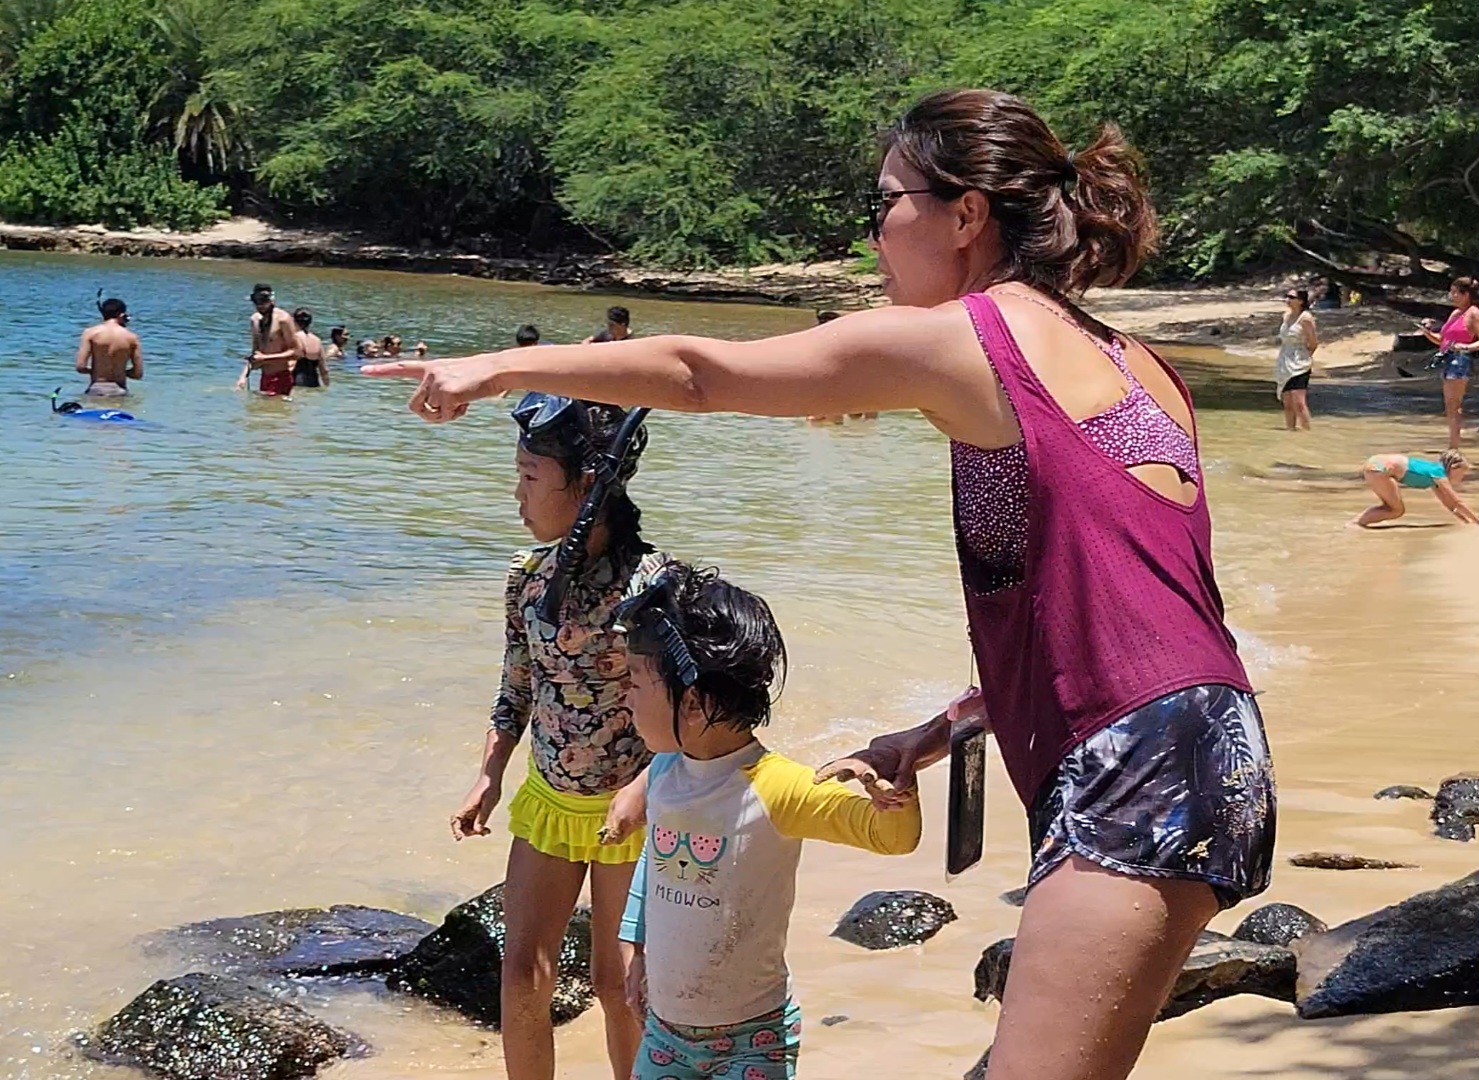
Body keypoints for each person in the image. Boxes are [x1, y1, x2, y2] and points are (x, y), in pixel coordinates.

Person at [367, 87, 1277, 1080]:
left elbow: (699, 376)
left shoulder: (970, 336)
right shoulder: (1139, 363)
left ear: (964, 214)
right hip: (1209, 742)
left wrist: (494, 368)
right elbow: (1144, 595)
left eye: (883, 205)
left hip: (1127, 757)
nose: (873, 239)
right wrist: (952, 723)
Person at [613, 561, 920, 1080]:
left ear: (693, 703)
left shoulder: (776, 788)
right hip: (665, 1032)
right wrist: (634, 946)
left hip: (751, 1038)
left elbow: (892, 838)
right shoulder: (665, 771)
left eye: (636, 684)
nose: (625, 698)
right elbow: (657, 860)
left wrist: (894, 791)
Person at [448, 395, 666, 1080]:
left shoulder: (656, 585)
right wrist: (489, 773)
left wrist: (641, 788)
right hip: (549, 800)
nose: (518, 496)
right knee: (520, 978)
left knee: (616, 984)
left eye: (530, 477)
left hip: (630, 812)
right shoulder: (527, 578)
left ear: (589, 487)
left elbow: (686, 718)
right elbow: (516, 685)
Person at [1419, 276, 1479, 450]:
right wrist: (1427, 333)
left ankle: (1454, 448)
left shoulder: (1473, 313)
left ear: (1465, 294)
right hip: (1448, 358)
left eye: (1454, 293)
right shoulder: (1456, 313)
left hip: (1459, 360)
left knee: (1454, 405)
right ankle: (1453, 445)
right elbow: (1443, 340)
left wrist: (1465, 347)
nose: (1451, 296)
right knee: (1450, 406)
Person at [1355, 451, 1479, 527]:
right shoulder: (1438, 473)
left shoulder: (1434, 475)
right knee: (1395, 510)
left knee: (1391, 508)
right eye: (1462, 473)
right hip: (1381, 468)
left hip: (1374, 464)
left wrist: (1467, 521)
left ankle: (1357, 523)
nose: (1462, 477)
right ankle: (1356, 523)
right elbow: (1457, 502)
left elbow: (1451, 505)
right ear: (1454, 467)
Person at [806, 311, 877, 423]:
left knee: (861, 411)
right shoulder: (825, 338)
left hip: (841, 377)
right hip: (836, 378)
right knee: (826, 416)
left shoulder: (822, 337)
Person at [236, 284, 299, 396]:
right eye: (257, 302)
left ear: (271, 300)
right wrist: (243, 377)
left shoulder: (283, 319)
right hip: (265, 377)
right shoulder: (255, 320)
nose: (260, 305)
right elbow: (255, 353)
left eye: (264, 301)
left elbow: (295, 352)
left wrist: (265, 357)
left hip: (281, 377)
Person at [75, 297, 142, 396]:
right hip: (120, 390)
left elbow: (80, 367)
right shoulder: (132, 337)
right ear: (122, 315)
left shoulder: (90, 333)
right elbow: (138, 374)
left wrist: (97, 372)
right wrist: (121, 372)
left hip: (96, 389)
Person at [1275, 288, 1317, 430]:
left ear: (1301, 301)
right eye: (1286, 296)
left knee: (1299, 403)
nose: (1288, 299)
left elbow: (1313, 343)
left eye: (1291, 297)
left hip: (1300, 363)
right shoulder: (1286, 316)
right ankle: (1290, 432)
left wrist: (1304, 357)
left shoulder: (1306, 318)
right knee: (1287, 403)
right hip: (1284, 360)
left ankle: (1307, 433)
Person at [292, 308, 330, 389]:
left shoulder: (293, 338)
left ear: (294, 321)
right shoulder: (317, 340)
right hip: (314, 382)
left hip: (296, 382)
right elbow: (324, 370)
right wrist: (327, 388)